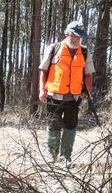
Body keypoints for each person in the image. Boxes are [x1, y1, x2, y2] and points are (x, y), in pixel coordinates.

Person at [38, 21, 95, 166]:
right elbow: (43, 71)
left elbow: (88, 74)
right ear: (67, 33)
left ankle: (65, 158)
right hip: (53, 95)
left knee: (70, 126)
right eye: (74, 35)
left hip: (74, 97)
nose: (76, 38)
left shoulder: (85, 52)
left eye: (79, 36)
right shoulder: (54, 48)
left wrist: (90, 92)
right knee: (53, 125)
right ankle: (51, 156)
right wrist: (41, 89)